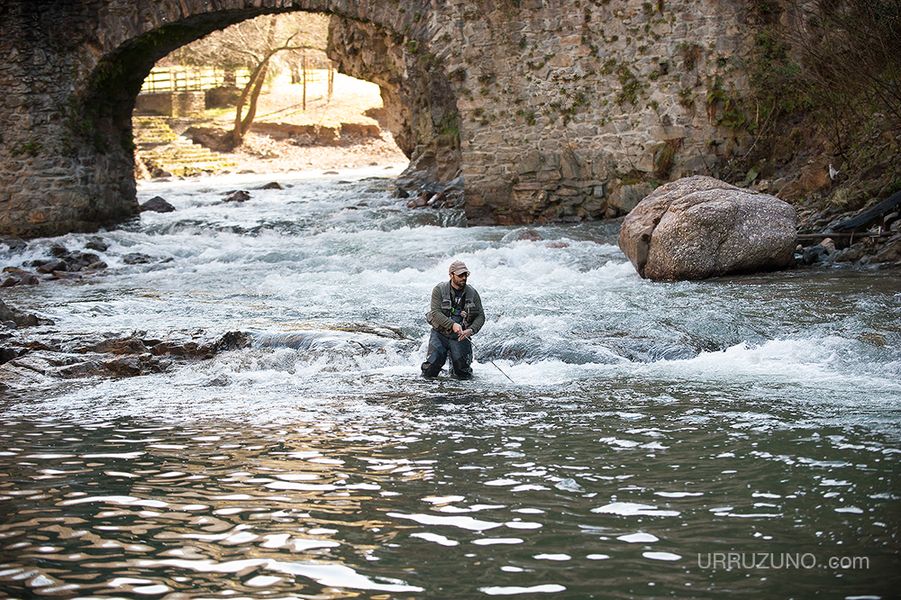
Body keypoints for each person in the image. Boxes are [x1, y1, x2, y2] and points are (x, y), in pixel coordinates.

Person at [421, 260, 485, 379]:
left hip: (461, 336)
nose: (464, 278)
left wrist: (471, 330)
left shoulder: (473, 293)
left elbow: (481, 316)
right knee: (430, 368)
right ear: (451, 275)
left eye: (465, 275)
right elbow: (435, 313)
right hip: (440, 333)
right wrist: (452, 325)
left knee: (462, 372)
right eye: (460, 275)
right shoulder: (439, 290)